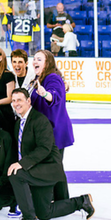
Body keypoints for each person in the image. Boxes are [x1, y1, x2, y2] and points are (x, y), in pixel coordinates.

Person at [7, 88, 93, 220]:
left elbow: (44, 149)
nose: (16, 103)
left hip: (47, 169)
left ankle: (29, 218)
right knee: (44, 213)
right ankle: (82, 201)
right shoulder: (19, 123)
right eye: (14, 100)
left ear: (28, 101)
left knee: (17, 174)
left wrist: (21, 164)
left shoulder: (39, 120)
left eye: (20, 100)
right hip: (36, 169)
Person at [29, 50, 74, 197]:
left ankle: (61, 199)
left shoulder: (52, 78)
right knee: (55, 166)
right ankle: (60, 198)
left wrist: (45, 94)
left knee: (54, 166)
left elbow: (55, 96)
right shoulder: (39, 78)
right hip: (47, 129)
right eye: (34, 58)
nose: (35, 61)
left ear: (47, 62)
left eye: (39, 59)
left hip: (55, 130)